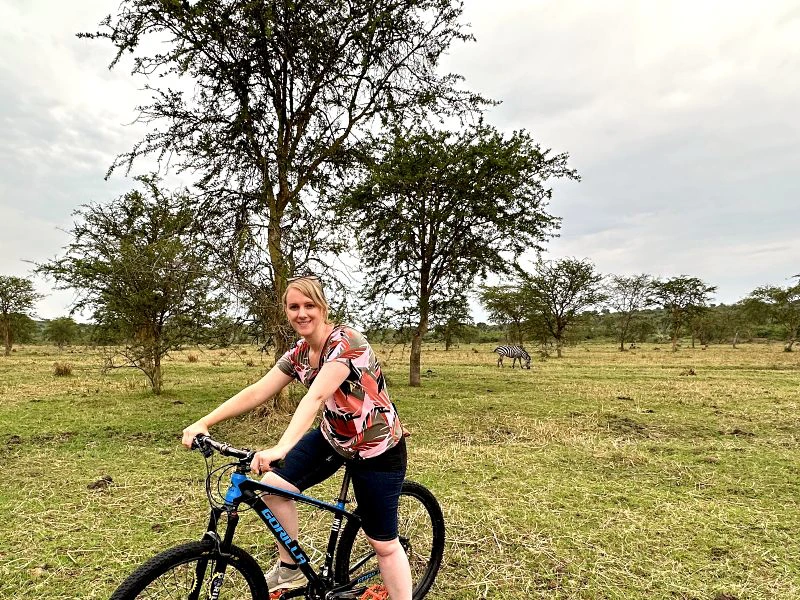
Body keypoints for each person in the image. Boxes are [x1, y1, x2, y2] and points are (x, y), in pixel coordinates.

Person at [181, 276, 411, 599]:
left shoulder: (347, 343)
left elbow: (315, 398)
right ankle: (290, 569)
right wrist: (204, 421)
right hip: (335, 438)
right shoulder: (300, 354)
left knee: (383, 545)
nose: (301, 313)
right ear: (286, 312)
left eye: (309, 306)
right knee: (272, 488)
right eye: (294, 307)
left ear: (323, 308)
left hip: (378, 450)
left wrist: (281, 447)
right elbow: (258, 390)